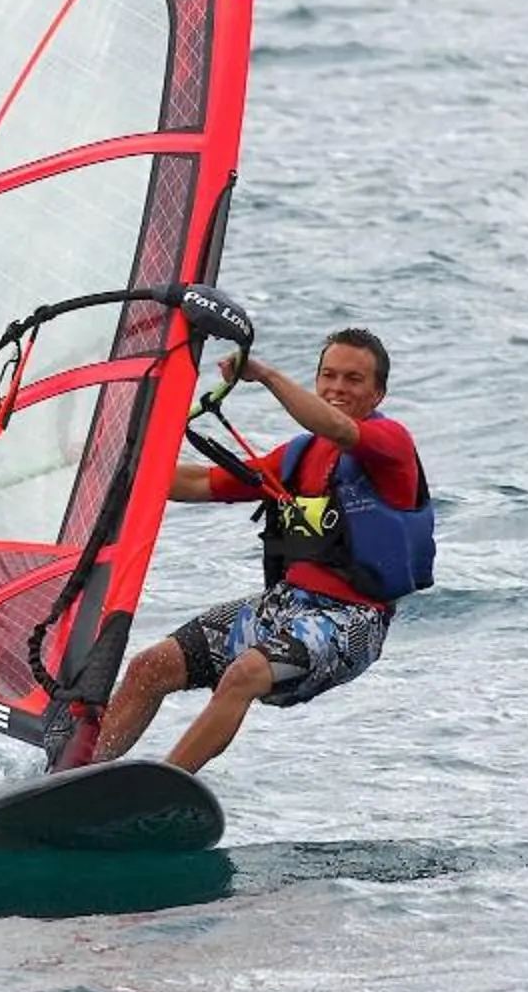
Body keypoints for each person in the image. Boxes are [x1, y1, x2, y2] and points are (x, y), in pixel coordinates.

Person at [93, 328, 433, 775]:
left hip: (352, 621)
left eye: (353, 379)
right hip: (283, 608)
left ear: (378, 392)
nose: (337, 388)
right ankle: (76, 780)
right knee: (149, 667)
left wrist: (266, 374)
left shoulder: (391, 444)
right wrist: (106, 464)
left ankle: (161, 789)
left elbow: (334, 425)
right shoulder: (298, 456)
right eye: (328, 376)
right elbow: (199, 484)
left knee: (244, 675)